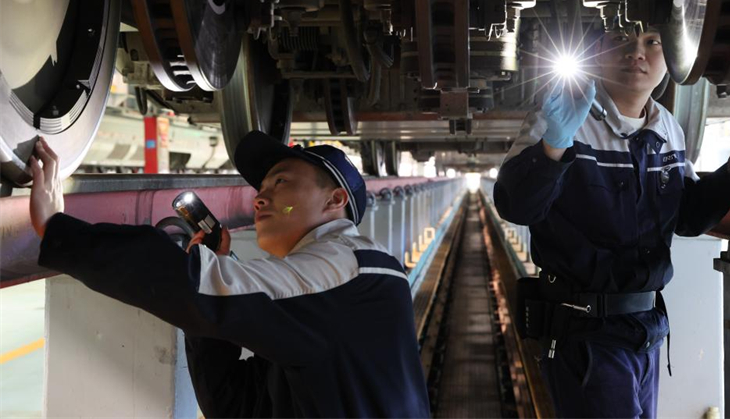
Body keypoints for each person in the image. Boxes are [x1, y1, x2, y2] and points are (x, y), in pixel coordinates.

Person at [493, 27, 730, 418]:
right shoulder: (561, 116)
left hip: (646, 330)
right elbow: (518, 208)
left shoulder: (666, 126)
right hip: (585, 332)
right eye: (620, 40)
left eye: (652, 42)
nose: (636, 53)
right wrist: (554, 145)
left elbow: (684, 217)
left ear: (671, 56)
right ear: (597, 52)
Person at [29, 130, 430, 418]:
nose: (261, 196)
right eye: (262, 186)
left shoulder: (351, 268)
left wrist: (60, 231)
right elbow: (237, 406)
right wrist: (219, 273)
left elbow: (197, 288)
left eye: (282, 181)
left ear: (334, 199)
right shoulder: (325, 297)